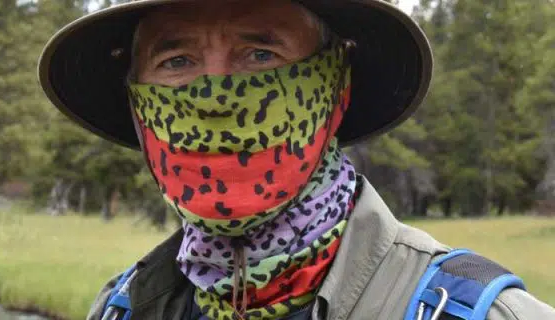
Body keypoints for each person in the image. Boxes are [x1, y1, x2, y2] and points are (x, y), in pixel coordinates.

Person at [36, 0, 555, 319]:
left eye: (261, 55)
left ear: (335, 87)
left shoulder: (479, 314)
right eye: (177, 61)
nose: (216, 95)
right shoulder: (122, 308)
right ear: (138, 107)